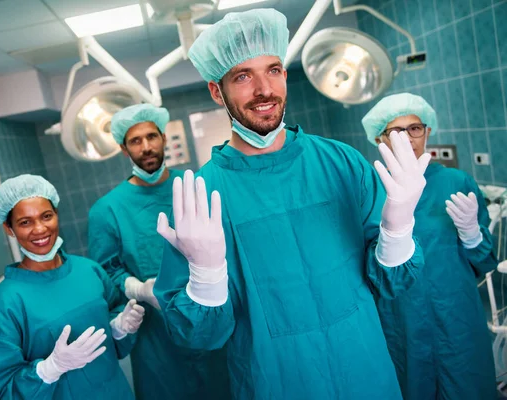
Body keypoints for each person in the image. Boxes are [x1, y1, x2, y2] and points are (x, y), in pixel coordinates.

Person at [153, 8, 431, 399]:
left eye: (274, 70)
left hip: (366, 372)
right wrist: (206, 280)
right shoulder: (202, 197)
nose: (264, 89)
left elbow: (391, 282)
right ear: (217, 91)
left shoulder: (342, 163)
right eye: (243, 76)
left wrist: (398, 229)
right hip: (276, 381)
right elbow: (199, 335)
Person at [88, 104, 230, 399]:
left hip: (208, 315)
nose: (146, 147)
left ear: (164, 138)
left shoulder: (195, 185)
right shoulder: (107, 210)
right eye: (135, 141)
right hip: (155, 334)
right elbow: (106, 271)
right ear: (124, 150)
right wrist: (139, 289)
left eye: (151, 136)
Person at [362, 93, 498, 400]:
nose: (408, 138)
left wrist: (472, 235)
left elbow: (485, 260)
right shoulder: (371, 189)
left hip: (457, 315)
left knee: (468, 385)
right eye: (395, 131)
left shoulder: (457, 182)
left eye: (414, 128)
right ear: (379, 139)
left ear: (428, 131)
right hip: (401, 321)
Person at [0, 174, 145, 400]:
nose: (39, 229)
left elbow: (115, 311)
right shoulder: (7, 301)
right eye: (25, 222)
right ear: (9, 229)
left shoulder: (89, 270)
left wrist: (118, 328)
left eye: (46, 216)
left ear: (56, 214)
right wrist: (49, 369)